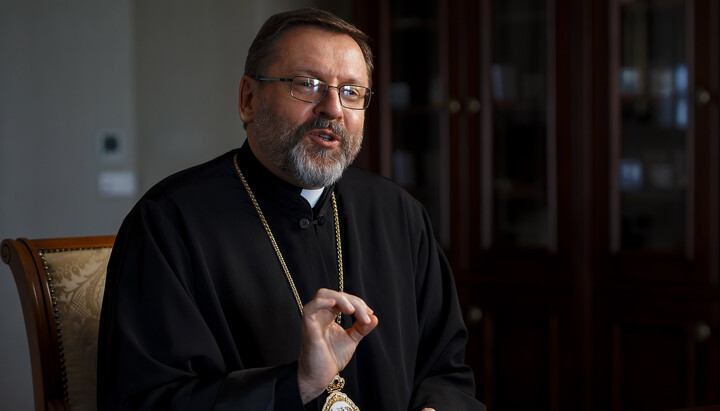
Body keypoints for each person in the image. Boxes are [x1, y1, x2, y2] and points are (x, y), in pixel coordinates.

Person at [97, 7, 484, 411]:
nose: (333, 108)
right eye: (308, 84)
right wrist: (295, 385)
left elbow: (446, 370)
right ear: (249, 99)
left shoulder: (400, 215)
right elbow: (144, 400)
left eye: (351, 92)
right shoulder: (168, 223)